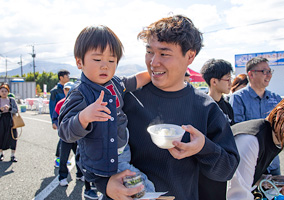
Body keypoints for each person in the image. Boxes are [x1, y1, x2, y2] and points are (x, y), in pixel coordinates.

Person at [96, 15, 240, 200]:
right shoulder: (125, 99)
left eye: (164, 54)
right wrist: (105, 185)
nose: (153, 62)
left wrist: (203, 147)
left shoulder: (206, 108)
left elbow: (227, 170)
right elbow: (91, 149)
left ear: (190, 56)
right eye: (149, 52)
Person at [58, 25, 154, 196]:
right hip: (102, 159)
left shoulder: (116, 83)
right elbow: (65, 131)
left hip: (122, 151)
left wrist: (156, 72)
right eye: (97, 60)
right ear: (79, 62)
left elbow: (137, 80)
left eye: (111, 61)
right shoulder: (79, 94)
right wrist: (84, 117)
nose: (105, 66)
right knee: (143, 187)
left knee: (122, 192)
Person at [227, 90, 284, 199]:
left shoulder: (275, 137)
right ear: (280, 114)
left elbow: (250, 177)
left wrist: (276, 182)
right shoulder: (251, 140)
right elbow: (237, 194)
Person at [229, 57, 282, 176]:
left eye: (270, 71)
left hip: (273, 162)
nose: (269, 75)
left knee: (275, 193)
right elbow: (238, 130)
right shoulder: (238, 98)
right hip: (250, 163)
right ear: (251, 74)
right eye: (264, 72)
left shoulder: (276, 98)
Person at [53, 81, 99, 199]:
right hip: (66, 137)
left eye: (71, 89)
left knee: (80, 157)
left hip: (79, 136)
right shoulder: (61, 103)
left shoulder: (82, 100)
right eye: (67, 90)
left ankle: (79, 174)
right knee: (64, 157)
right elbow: (55, 116)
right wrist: (55, 123)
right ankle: (62, 177)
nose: (69, 92)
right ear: (64, 91)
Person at [200, 58, 235, 125]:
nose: (231, 83)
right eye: (228, 79)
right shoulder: (203, 107)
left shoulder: (227, 106)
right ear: (214, 82)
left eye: (231, 79)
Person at [49, 69, 70, 167]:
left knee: (65, 139)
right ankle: (59, 159)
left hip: (68, 120)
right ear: (61, 78)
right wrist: (53, 121)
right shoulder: (55, 91)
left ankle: (62, 159)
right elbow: (52, 106)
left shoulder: (70, 88)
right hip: (59, 120)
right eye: (67, 76)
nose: (68, 78)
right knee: (63, 139)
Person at [0, 83, 18, 162]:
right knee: (1, 137)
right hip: (1, 120)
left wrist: (10, 109)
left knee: (13, 136)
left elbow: (16, 110)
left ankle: (13, 155)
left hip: (11, 121)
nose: (4, 93)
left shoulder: (11, 100)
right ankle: (1, 154)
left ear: (8, 92)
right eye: (2, 91)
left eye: (6, 91)